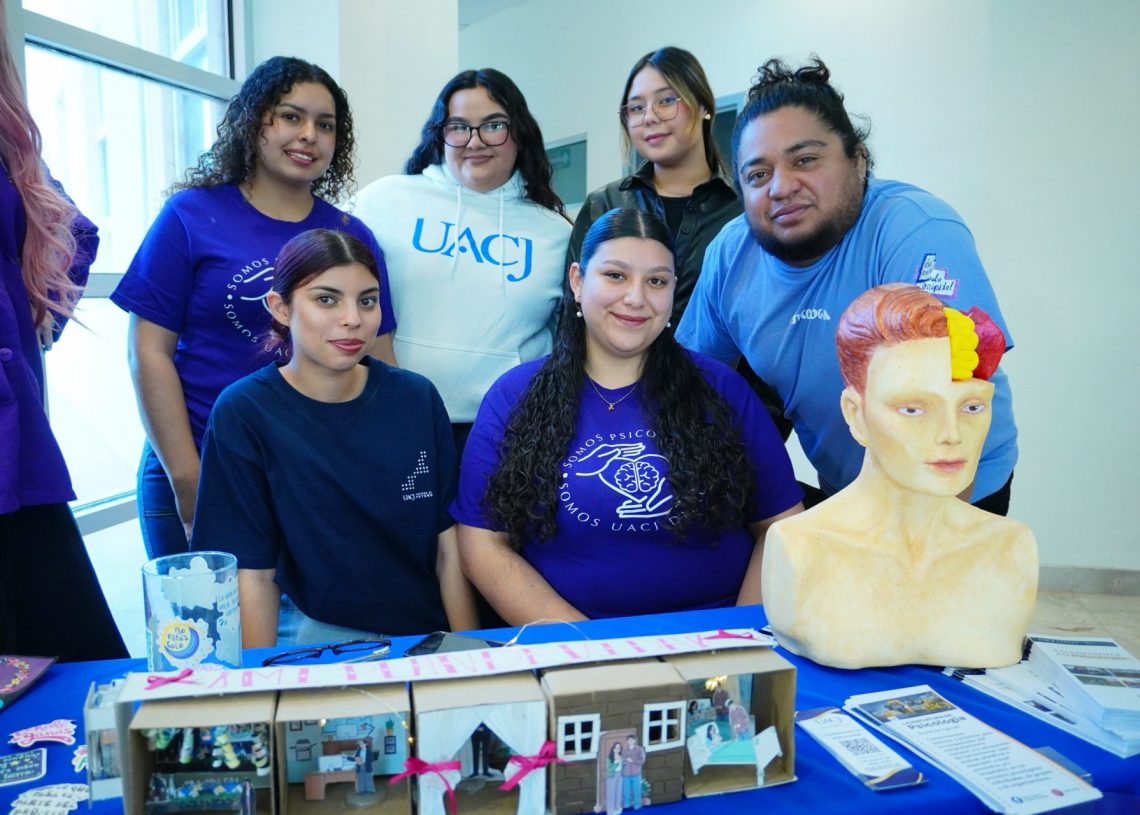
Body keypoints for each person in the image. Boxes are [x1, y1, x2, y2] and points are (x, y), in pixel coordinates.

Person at [676, 56, 1017, 514]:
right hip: (849, 487)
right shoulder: (730, 255)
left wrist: (929, 540)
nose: (781, 187)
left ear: (858, 160)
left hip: (960, 484)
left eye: (805, 160)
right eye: (758, 174)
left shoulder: (913, 230)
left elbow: (953, 400)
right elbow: (688, 381)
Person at [452, 208, 802, 624]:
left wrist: (739, 639)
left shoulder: (721, 389)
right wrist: (588, 647)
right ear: (578, 281)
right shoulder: (514, 396)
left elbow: (782, 526)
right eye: (615, 275)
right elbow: (482, 545)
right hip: (572, 645)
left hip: (716, 638)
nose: (636, 298)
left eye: (656, 281)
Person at [112, 56, 396, 560]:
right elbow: (148, 352)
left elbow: (377, 361)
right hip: (198, 460)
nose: (308, 135)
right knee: (207, 613)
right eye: (290, 116)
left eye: (325, 125)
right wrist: (188, 478)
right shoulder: (190, 216)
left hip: (312, 471)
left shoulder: (350, 235)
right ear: (253, 121)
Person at [191, 229, 475, 647]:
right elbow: (252, 573)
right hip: (311, 634)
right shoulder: (245, 411)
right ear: (280, 307)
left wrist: (473, 656)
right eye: (327, 299)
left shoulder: (416, 398)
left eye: (368, 301)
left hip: (422, 631)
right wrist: (260, 680)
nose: (353, 319)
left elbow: (448, 545)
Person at [762, 284, 1037, 669]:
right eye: (912, 409)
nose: (951, 434)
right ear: (856, 414)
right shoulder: (801, 550)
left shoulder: (1010, 550)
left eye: (971, 407)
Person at [354, 68, 571, 456]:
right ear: (440, 134)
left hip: (509, 429)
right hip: (395, 417)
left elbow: (568, 338)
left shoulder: (556, 232)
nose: (475, 141)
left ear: (520, 132)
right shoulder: (385, 200)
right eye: (459, 127)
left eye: (494, 125)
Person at [0, 20, 127, 662]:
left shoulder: (9, 143)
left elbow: (75, 231)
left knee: (67, 663)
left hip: (12, 431)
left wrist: (40, 308)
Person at [567, 46, 737, 327]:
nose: (649, 117)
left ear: (704, 107)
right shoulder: (604, 204)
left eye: (666, 100)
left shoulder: (742, 208)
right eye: (637, 107)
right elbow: (572, 311)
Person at [622, 735, 646, 810]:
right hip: (626, 773)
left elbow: (642, 761)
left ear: (635, 741)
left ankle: (637, 805)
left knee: (637, 790)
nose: (630, 741)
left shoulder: (639, 749)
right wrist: (624, 763)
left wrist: (633, 761)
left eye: (632, 740)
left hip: (636, 773)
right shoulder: (624, 751)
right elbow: (622, 761)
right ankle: (627, 804)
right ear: (627, 741)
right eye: (629, 740)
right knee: (626, 790)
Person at [604, 741, 623, 815]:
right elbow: (609, 769)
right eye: (616, 747)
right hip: (612, 776)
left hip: (620, 775)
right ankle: (610, 810)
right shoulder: (609, 758)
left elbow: (624, 766)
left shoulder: (621, 757)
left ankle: (617, 807)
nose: (617, 749)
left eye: (619, 747)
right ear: (613, 748)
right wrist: (616, 763)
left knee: (619, 791)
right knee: (611, 793)